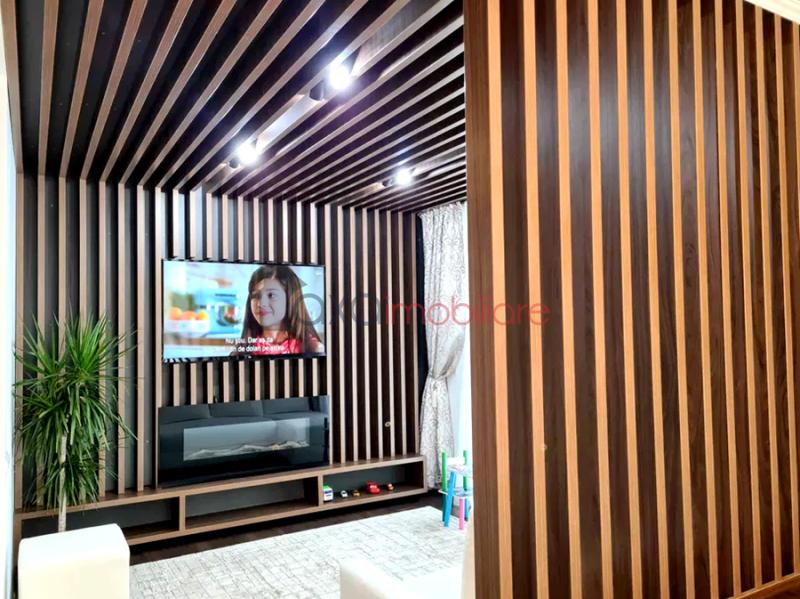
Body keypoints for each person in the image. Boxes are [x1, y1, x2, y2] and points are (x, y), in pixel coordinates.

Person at [238, 265, 325, 355]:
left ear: (290, 299)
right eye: (256, 296)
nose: (261, 303)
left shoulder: (313, 349)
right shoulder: (242, 352)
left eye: (271, 295)